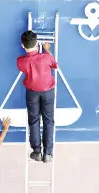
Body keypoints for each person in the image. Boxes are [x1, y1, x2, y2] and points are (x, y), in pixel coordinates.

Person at [17, 30, 58, 163]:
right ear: (37, 44)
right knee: (48, 121)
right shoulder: (46, 57)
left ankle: (37, 151)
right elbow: (55, 65)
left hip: (32, 93)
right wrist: (47, 50)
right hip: (48, 92)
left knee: (34, 121)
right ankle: (48, 154)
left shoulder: (20, 61)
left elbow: (25, 67)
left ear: (23, 46)